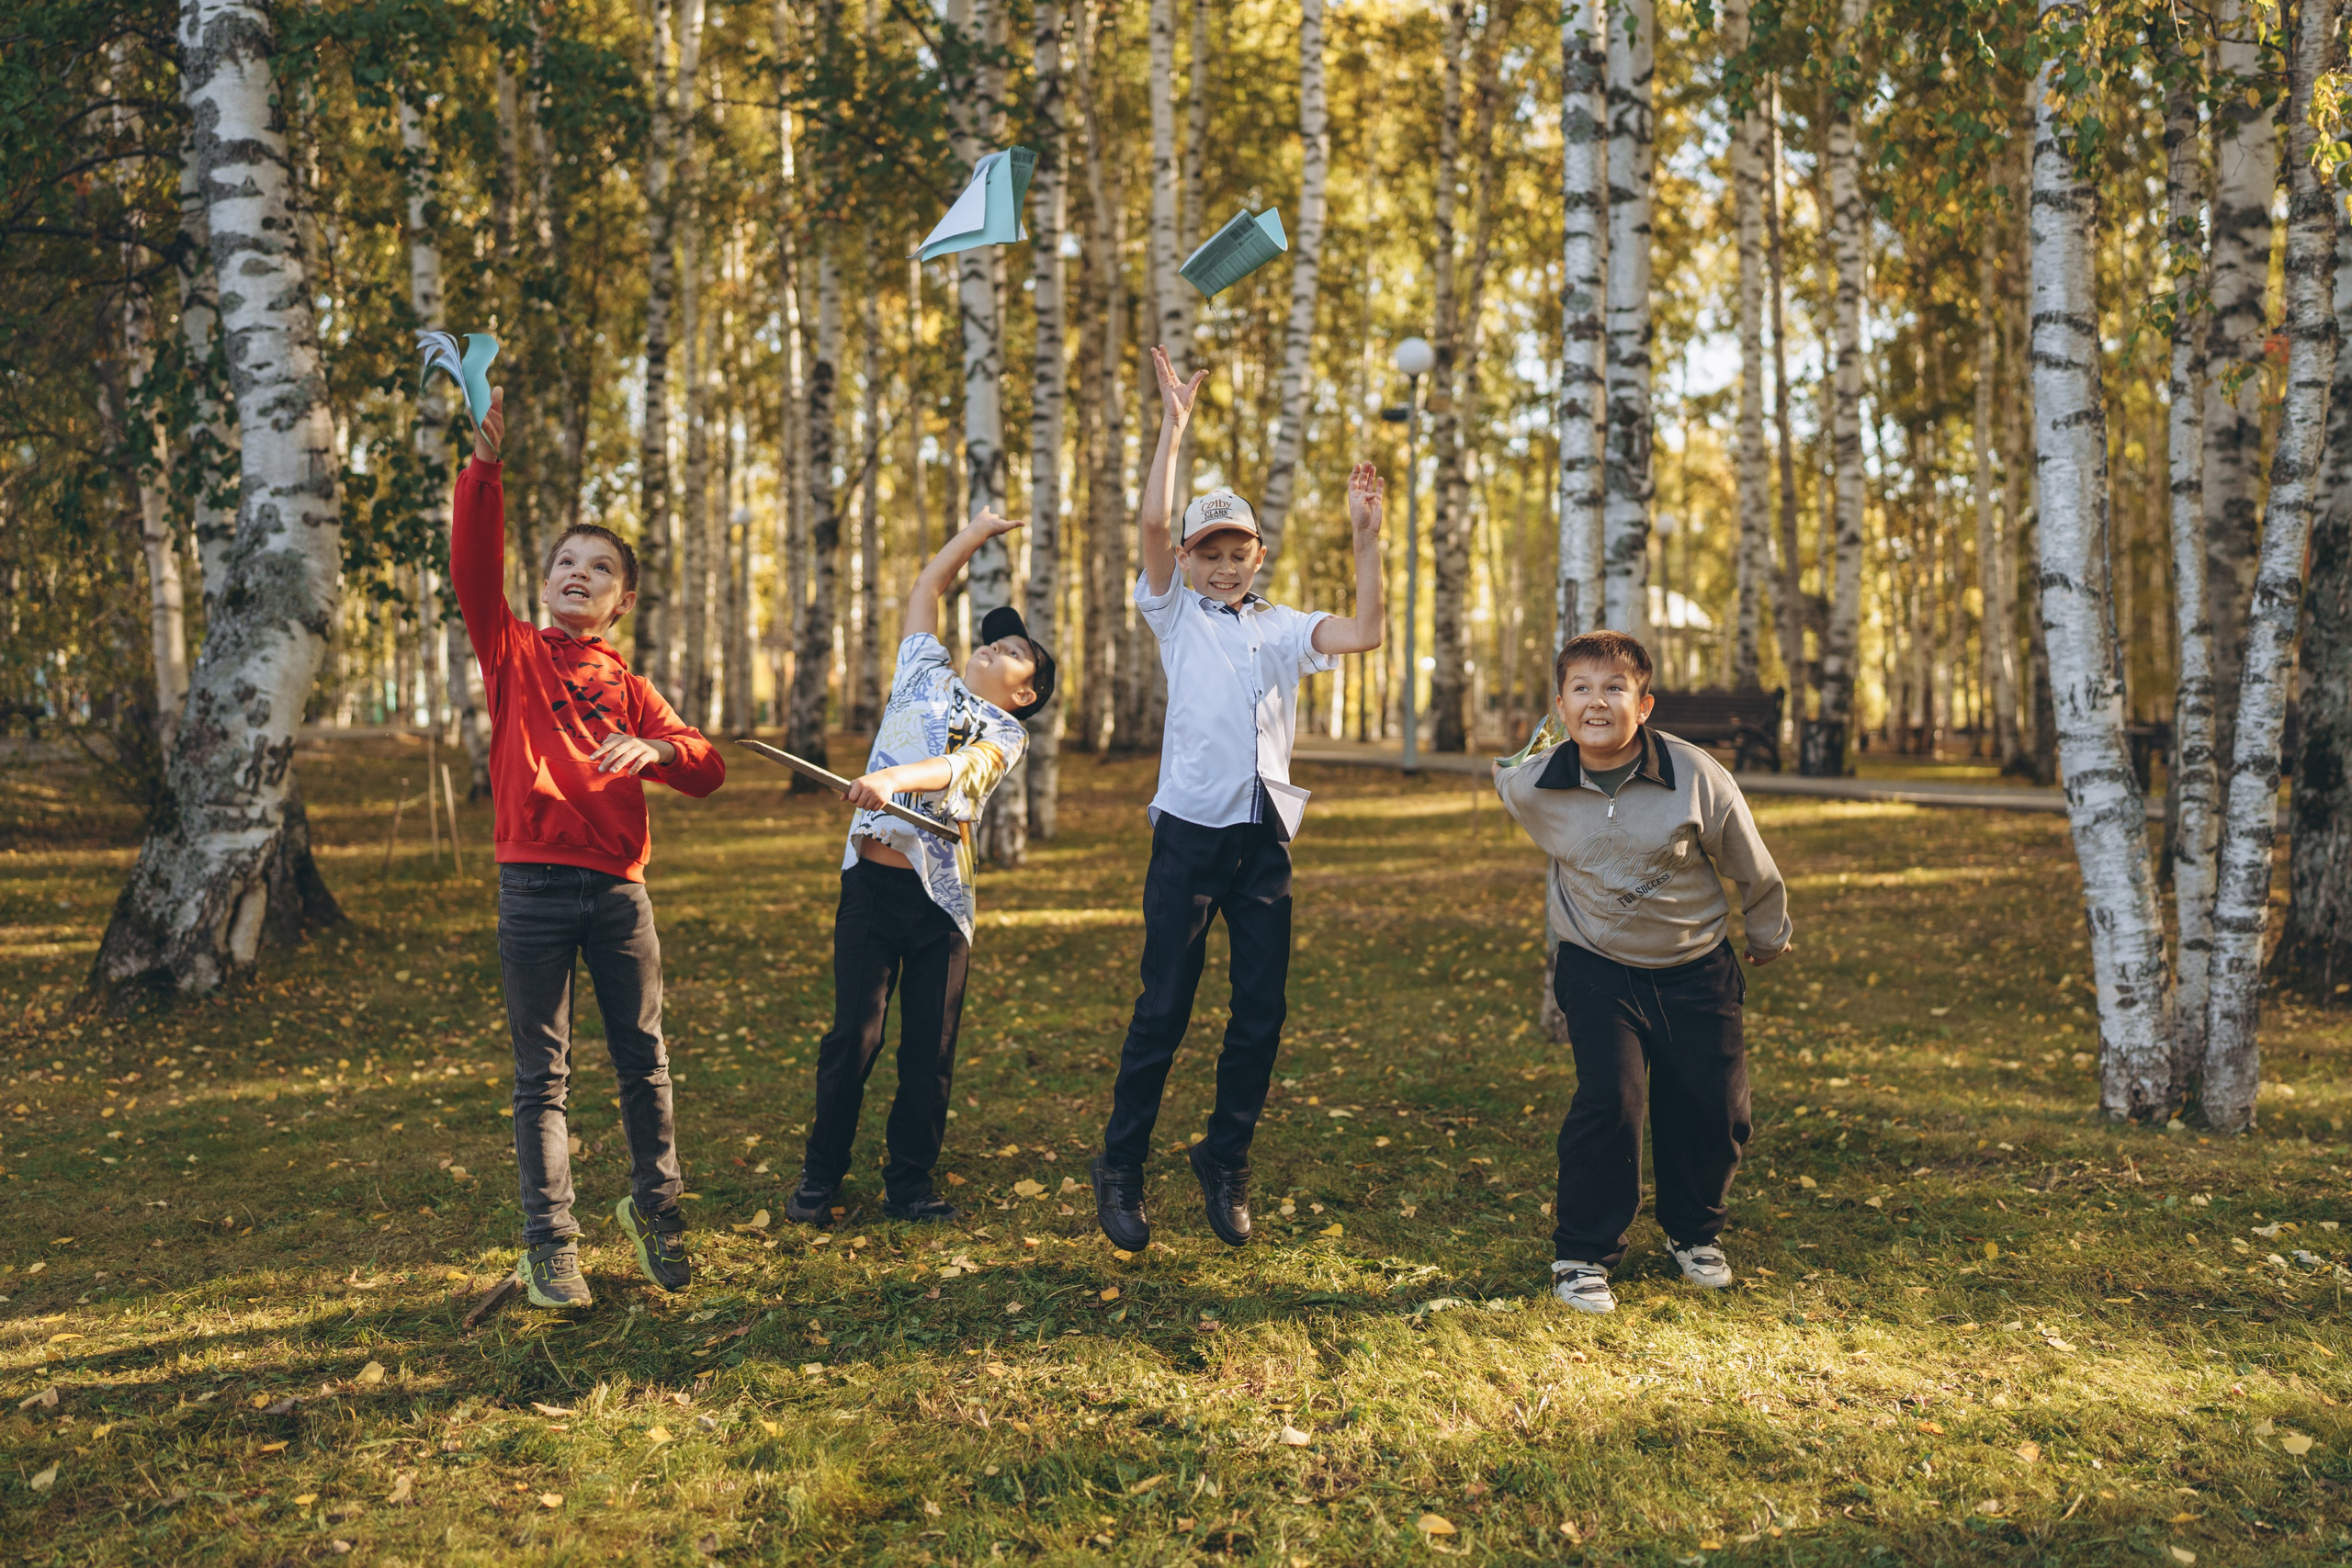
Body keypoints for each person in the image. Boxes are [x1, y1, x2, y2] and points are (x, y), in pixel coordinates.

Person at [1091, 344, 1386, 1251]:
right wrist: (1171, 430)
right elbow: (1145, 524)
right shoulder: (1173, 610)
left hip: (1263, 843)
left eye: (1238, 551)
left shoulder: (1282, 626)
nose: (1224, 565)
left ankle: (1225, 1159)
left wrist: (1368, 540)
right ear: (1187, 557)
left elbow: (1367, 630)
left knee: (1260, 1014)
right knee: (1163, 1010)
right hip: (1187, 840)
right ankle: (1122, 1166)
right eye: (1207, 551)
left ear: (1259, 555)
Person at [450, 386, 725, 1310]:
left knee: (643, 1061)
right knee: (544, 1077)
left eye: (598, 567)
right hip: (530, 889)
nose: (578, 572)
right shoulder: (512, 652)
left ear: (622, 598)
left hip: (618, 897)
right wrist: (484, 475)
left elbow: (707, 765)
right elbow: (473, 567)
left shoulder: (633, 687)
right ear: (544, 582)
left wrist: (658, 749)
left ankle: (656, 1212)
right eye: (565, 561)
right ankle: (550, 1242)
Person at [1492, 630, 1792, 1314]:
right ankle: (1582, 1254)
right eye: (1581, 690)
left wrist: (1768, 929)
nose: (1598, 702)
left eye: (1615, 689)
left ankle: (1694, 1233)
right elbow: (1505, 768)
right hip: (1597, 964)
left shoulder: (1695, 774)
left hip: (1696, 963)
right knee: (1611, 1100)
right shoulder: (1533, 785)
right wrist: (1543, 737)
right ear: (1561, 707)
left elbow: (1750, 857)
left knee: (1714, 1107)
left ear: (1645, 704)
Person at [784, 509, 1053, 1228]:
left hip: (941, 906)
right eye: (993, 639)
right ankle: (820, 1175)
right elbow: (929, 585)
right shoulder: (923, 670)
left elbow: (958, 770)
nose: (995, 646)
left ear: (1025, 691)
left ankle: (910, 1183)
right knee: (855, 1038)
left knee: (928, 1047)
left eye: (1014, 648)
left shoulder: (1006, 732)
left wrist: (893, 779)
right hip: (872, 888)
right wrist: (974, 534)